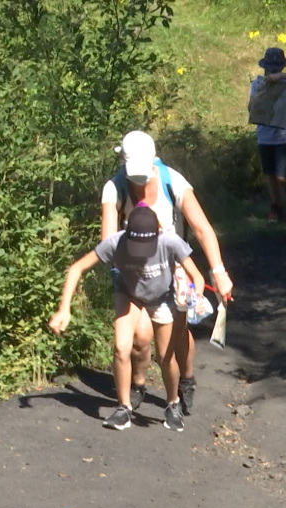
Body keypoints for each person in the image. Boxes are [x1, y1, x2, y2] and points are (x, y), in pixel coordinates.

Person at [100, 130, 233, 419]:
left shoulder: (173, 180)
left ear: (153, 161)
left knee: (177, 332)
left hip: (175, 265)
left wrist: (218, 271)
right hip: (136, 269)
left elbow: (201, 228)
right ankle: (138, 383)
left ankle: (186, 378)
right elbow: (107, 239)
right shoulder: (114, 188)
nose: (137, 179)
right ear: (122, 162)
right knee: (140, 336)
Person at [49, 206, 207, 432]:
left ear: (158, 234)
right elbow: (77, 268)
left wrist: (195, 295)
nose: (142, 252)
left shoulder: (170, 242)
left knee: (165, 356)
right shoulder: (115, 242)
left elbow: (197, 277)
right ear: (127, 235)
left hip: (162, 297)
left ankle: (172, 403)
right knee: (121, 347)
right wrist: (64, 309)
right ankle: (124, 408)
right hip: (129, 295)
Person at [249, 47, 286, 222]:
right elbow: (251, 107)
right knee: (269, 174)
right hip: (265, 135)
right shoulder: (257, 84)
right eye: (270, 69)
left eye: (276, 69)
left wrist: (281, 77)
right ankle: (275, 206)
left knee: (283, 175)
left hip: (284, 136)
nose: (272, 71)